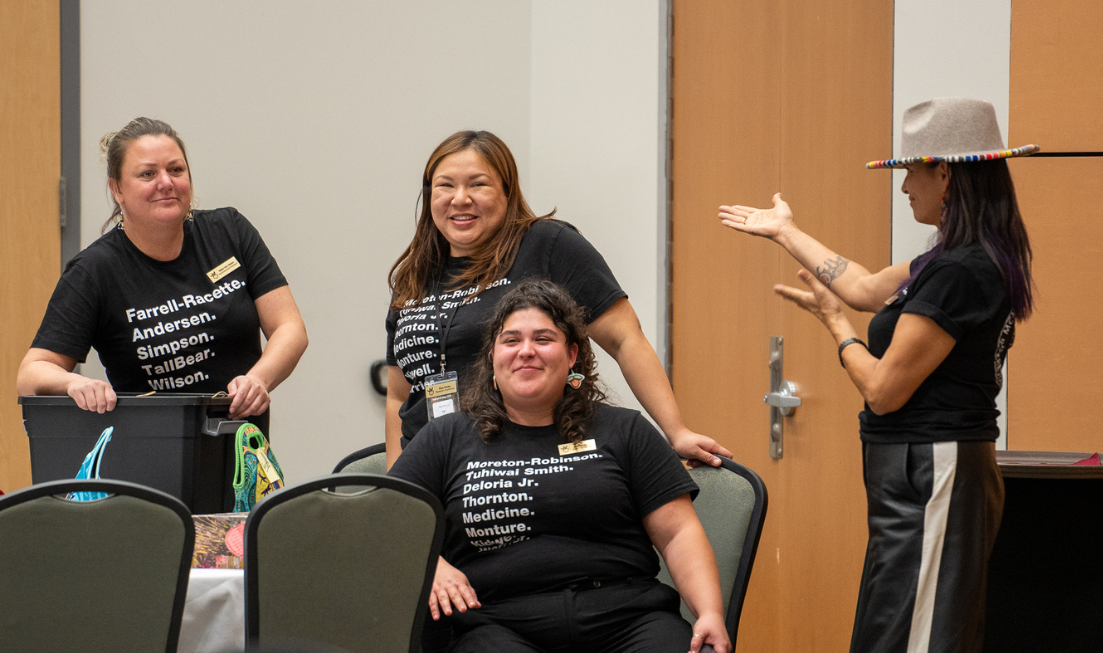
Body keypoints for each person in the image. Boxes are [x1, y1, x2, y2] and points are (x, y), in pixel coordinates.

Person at [719, 97, 1037, 652]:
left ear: (944, 173)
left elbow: (883, 390)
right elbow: (864, 287)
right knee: (891, 631)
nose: (904, 186)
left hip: (935, 466)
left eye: (910, 171)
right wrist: (784, 232)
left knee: (920, 639)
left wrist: (836, 327)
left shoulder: (963, 270)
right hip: (914, 471)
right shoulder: (948, 260)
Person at [390, 278, 730, 653]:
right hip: (496, 624)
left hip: (627, 618)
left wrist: (710, 612)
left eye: (543, 339)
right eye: (511, 340)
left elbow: (678, 532)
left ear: (572, 356)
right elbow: (385, 516)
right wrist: (429, 564)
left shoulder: (625, 430)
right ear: (492, 356)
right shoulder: (446, 437)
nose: (526, 351)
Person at [386, 130, 729, 469]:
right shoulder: (415, 275)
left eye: (478, 184)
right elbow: (400, 394)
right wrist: (397, 484)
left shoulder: (547, 245)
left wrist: (676, 430)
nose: (460, 198)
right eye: (446, 185)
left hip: (521, 458)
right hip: (432, 466)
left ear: (507, 191)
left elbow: (625, 337)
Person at [17, 117, 308, 422]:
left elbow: (290, 329)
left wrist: (258, 379)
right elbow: (31, 372)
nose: (166, 182)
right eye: (147, 174)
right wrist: (75, 382)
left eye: (176, 170)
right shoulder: (95, 270)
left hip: (242, 449)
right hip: (151, 453)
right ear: (117, 189)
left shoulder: (229, 231)